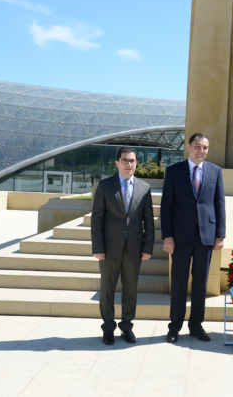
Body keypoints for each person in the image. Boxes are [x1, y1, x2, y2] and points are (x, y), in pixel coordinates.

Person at [161, 133, 226, 343]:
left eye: (205, 148)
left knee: (201, 283)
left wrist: (220, 234)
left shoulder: (215, 171)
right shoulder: (173, 171)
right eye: (197, 147)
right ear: (188, 147)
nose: (201, 151)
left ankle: (196, 325)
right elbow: (166, 207)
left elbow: (219, 205)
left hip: (206, 236)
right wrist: (167, 236)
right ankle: (174, 327)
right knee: (179, 282)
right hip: (180, 237)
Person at [91, 147, 155, 345]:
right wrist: (97, 247)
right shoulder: (105, 185)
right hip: (109, 248)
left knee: (130, 290)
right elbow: (97, 219)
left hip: (134, 249)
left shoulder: (144, 188)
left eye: (132, 161)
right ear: (117, 163)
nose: (129, 164)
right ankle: (108, 328)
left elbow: (149, 221)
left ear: (137, 164)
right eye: (125, 160)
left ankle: (126, 327)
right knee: (107, 289)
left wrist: (147, 247)